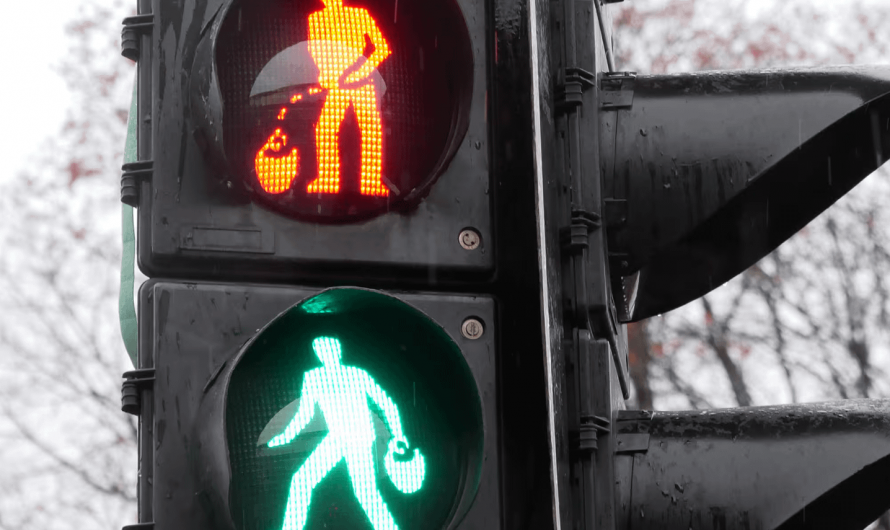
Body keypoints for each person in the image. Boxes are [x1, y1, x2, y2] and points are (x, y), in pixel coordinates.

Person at [267, 336, 409, 530]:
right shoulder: (313, 377)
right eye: (322, 351)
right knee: (301, 481)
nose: (327, 354)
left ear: (338, 350)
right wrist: (286, 436)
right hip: (336, 438)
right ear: (318, 354)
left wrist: (399, 434)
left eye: (331, 349)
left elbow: (386, 403)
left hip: (359, 439)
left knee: (366, 494)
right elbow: (304, 414)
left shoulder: (356, 374)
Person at [306, 0, 392, 197]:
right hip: (336, 84)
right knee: (326, 128)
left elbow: (382, 47)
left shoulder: (359, 14)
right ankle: (326, 177)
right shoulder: (315, 19)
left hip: (362, 82)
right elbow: (314, 50)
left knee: (370, 128)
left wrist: (362, 72)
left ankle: (371, 180)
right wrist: (324, 73)